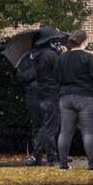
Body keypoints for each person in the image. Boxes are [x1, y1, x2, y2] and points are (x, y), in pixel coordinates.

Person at [54, 30, 93, 171]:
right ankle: (92, 164)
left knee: (65, 132)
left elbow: (57, 78)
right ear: (84, 41)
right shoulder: (89, 57)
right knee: (89, 132)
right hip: (87, 98)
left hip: (66, 97)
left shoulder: (61, 58)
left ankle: (63, 164)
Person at [27, 28, 64, 166]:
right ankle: (51, 158)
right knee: (50, 128)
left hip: (43, 94)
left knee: (45, 126)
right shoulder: (51, 55)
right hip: (52, 94)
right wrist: (61, 54)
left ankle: (37, 156)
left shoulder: (38, 55)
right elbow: (61, 71)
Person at [16, 53, 44, 166]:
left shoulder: (49, 56)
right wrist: (36, 71)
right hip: (33, 97)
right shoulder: (25, 60)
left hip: (48, 96)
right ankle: (37, 155)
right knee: (38, 127)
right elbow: (21, 77)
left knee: (50, 126)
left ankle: (52, 154)